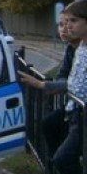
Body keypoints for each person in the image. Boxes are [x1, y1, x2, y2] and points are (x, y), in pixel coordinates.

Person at [37, 0, 87, 174]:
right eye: (64, 22)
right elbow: (71, 79)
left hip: (81, 114)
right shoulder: (79, 48)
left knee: (64, 158)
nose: (67, 26)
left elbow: (72, 83)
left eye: (73, 21)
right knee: (63, 154)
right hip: (75, 111)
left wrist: (43, 85)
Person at [18, 11, 77, 156]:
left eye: (70, 22)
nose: (64, 28)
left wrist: (44, 85)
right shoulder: (71, 49)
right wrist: (58, 85)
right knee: (49, 124)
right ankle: (54, 169)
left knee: (64, 154)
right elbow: (62, 76)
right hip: (74, 108)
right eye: (61, 24)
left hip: (79, 110)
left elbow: (76, 83)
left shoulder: (82, 50)